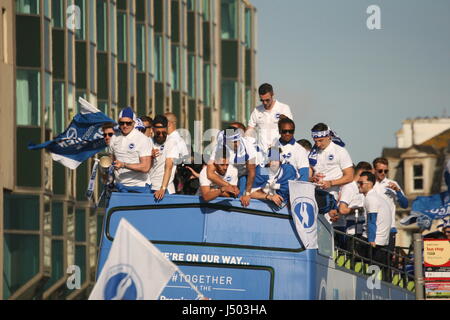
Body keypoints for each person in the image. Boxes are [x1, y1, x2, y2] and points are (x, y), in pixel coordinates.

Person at [207, 127, 257, 207]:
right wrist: (228, 186)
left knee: (242, 195)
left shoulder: (248, 147)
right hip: (228, 173)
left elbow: (252, 172)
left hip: (244, 174)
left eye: (238, 140)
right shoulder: (219, 147)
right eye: (233, 142)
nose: (237, 143)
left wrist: (247, 194)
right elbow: (210, 173)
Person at [330, 161, 372, 252]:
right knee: (351, 259)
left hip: (362, 229)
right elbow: (342, 209)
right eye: (368, 176)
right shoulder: (349, 187)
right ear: (361, 174)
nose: (370, 180)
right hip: (352, 229)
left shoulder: (361, 188)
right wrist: (359, 209)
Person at [109, 107, 152, 193]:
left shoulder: (142, 139)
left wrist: (124, 165)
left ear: (133, 123)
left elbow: (145, 167)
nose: (125, 125)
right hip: (120, 186)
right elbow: (112, 159)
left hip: (140, 186)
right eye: (122, 123)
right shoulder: (114, 138)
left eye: (128, 123)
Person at [309, 123, 354, 202]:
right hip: (314, 194)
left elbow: (349, 176)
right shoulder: (312, 153)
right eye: (315, 141)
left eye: (320, 140)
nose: (318, 144)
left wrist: (330, 183)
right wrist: (312, 179)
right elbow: (308, 175)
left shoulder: (340, 151)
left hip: (332, 195)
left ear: (328, 137)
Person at [372, 157, 408, 252]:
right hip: (373, 228)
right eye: (380, 171)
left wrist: (398, 191)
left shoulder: (392, 184)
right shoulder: (369, 184)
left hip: (389, 228)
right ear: (374, 170)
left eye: (386, 171)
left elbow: (405, 205)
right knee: (373, 260)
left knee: (387, 260)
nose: (383, 173)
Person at [358, 171, 392, 270]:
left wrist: (371, 240)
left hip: (375, 241)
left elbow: (372, 220)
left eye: (361, 183)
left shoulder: (371, 198)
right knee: (378, 272)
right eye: (358, 183)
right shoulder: (377, 197)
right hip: (383, 240)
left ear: (370, 184)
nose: (358, 186)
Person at [246, 83, 293, 153]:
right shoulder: (257, 110)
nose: (264, 103)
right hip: (262, 153)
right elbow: (249, 130)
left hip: (279, 151)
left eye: (267, 100)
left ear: (272, 94)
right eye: (262, 100)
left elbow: (290, 130)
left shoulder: (284, 108)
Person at [148, 115, 185, 200]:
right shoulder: (148, 141)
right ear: (153, 129)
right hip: (149, 186)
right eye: (158, 133)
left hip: (165, 189)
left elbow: (168, 167)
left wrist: (163, 188)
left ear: (167, 129)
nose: (161, 135)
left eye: (164, 133)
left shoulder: (172, 142)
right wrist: (149, 156)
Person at [274, 117, 310, 182]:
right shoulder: (273, 148)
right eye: (284, 131)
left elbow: (304, 175)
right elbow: (267, 171)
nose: (287, 134)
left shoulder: (300, 150)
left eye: (291, 131)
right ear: (279, 131)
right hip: (274, 189)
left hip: (292, 189)